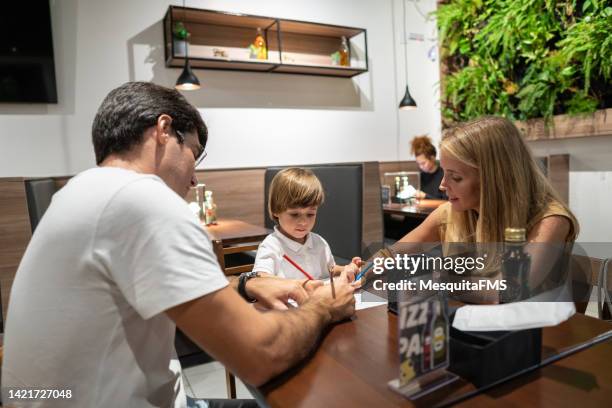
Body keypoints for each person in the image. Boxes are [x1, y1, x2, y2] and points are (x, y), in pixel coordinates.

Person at [1, 82, 356, 408]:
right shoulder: (142, 200)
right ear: (164, 130)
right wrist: (324, 306)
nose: (195, 177)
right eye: (195, 154)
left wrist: (249, 282)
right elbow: (260, 356)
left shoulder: (78, 193)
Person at [399, 116, 579, 298]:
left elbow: (509, 289)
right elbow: (394, 254)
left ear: (494, 179)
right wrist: (370, 269)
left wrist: (437, 281)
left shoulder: (551, 221)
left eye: (456, 177)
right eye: (444, 173)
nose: (442, 185)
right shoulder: (451, 213)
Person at [253, 168, 361, 281]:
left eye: (310, 214)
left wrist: (346, 269)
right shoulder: (271, 246)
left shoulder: (319, 243)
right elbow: (259, 280)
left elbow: (329, 270)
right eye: (294, 214)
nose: (304, 222)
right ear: (276, 210)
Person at [410, 135, 447, 200]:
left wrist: (425, 196)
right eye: (419, 164)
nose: (421, 167)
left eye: (423, 163)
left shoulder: (443, 175)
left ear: (432, 158)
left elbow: (445, 201)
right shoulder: (421, 176)